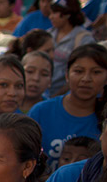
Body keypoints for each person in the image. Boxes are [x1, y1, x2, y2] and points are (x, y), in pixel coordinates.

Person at [31, 43, 106, 171]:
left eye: (96, 72)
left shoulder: (104, 117)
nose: (86, 79)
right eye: (79, 71)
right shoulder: (41, 112)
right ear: (67, 75)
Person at [48, 0, 95, 97]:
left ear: (67, 14)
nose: (50, 16)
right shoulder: (49, 34)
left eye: (54, 13)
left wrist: (56, 96)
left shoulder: (83, 40)